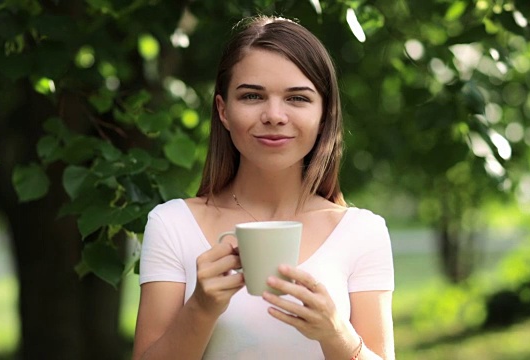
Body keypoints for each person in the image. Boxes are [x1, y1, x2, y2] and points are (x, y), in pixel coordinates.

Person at [132, 15, 395, 360]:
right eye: (253, 96)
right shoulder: (172, 224)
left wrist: (336, 334)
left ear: (325, 114)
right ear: (223, 111)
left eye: (297, 98)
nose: (274, 115)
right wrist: (201, 308)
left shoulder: (362, 232)